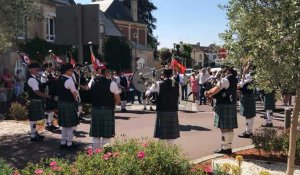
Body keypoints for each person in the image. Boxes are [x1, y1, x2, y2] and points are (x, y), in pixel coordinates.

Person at [205, 67, 238, 154]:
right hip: (231, 104)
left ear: (227, 71)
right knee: (230, 128)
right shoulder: (235, 79)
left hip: (223, 105)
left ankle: (224, 148)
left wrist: (207, 93)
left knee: (223, 128)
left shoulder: (225, 80)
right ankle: (229, 147)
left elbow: (215, 90)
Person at [89, 66, 121, 151]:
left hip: (95, 109)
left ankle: (95, 153)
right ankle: (106, 154)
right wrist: (111, 105)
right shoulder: (112, 83)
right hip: (107, 109)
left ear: (99, 73)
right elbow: (118, 100)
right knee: (106, 135)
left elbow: (88, 93)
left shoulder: (92, 82)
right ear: (106, 73)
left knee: (96, 135)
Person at [152, 69, 180, 145]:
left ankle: (161, 155)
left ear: (163, 75)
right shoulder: (177, 84)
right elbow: (179, 99)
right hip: (173, 111)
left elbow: (148, 92)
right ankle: (171, 155)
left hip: (162, 111)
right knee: (171, 137)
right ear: (171, 75)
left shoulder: (158, 84)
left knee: (161, 137)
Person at [26, 63, 52, 142]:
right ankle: (33, 135)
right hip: (35, 100)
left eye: (37, 69)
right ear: (30, 70)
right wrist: (47, 96)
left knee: (36, 119)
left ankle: (35, 133)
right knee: (33, 119)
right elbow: (37, 92)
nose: (37, 70)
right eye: (35, 69)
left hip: (36, 100)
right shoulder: (32, 79)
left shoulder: (35, 78)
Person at [57, 63, 80, 149]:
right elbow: (74, 94)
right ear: (67, 71)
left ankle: (63, 143)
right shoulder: (69, 80)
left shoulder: (59, 79)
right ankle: (69, 143)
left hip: (61, 103)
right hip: (69, 103)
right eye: (71, 70)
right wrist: (77, 93)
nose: (72, 72)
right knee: (72, 125)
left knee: (64, 125)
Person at [237, 66, 256, 138]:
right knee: (250, 115)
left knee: (248, 115)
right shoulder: (253, 76)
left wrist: (244, 73)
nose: (244, 68)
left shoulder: (249, 76)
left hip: (246, 97)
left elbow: (240, 85)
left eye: (246, 67)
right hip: (250, 96)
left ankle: (248, 132)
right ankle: (249, 131)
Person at [40, 63, 59, 131]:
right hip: (48, 95)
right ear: (46, 68)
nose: (51, 69)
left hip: (53, 94)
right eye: (50, 68)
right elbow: (43, 86)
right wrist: (47, 80)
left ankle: (50, 123)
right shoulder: (44, 75)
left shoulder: (52, 74)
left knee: (52, 110)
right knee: (48, 111)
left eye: (51, 67)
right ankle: (47, 125)